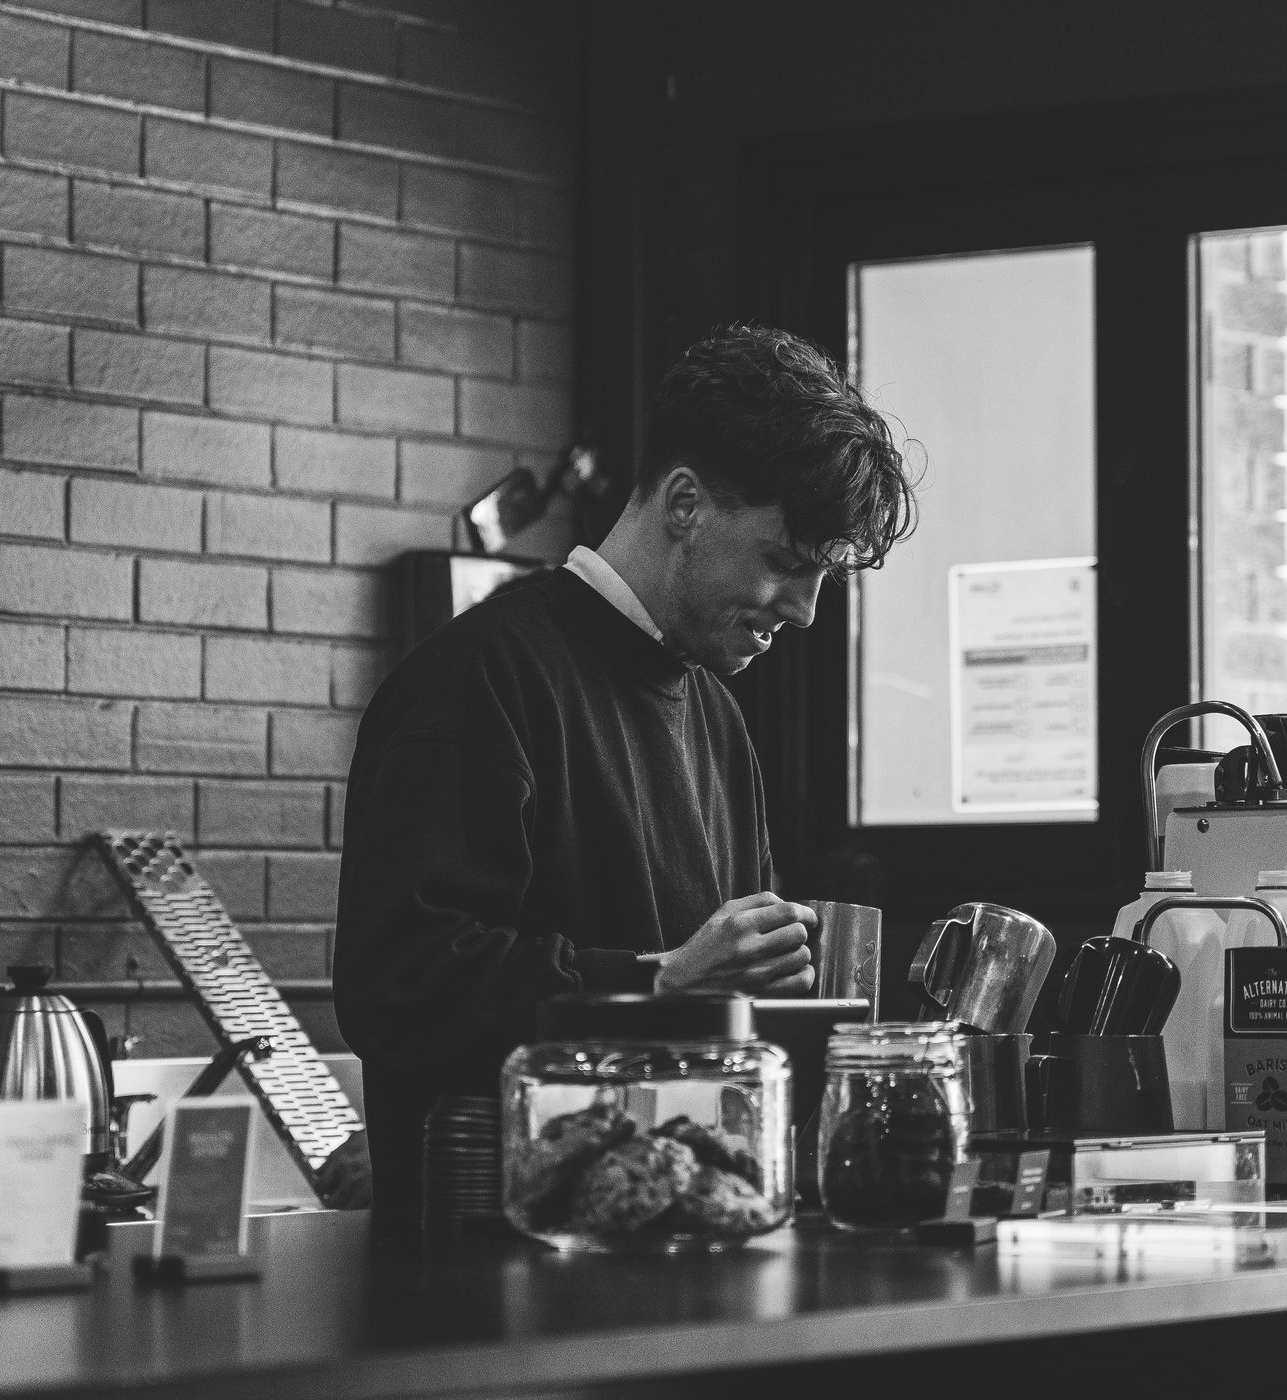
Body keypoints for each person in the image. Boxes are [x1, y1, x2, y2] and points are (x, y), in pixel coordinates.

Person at [332, 323, 919, 1233]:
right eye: (785, 563)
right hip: (491, 1284)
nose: (803, 611)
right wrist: (659, 983)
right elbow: (397, 985)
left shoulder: (718, 718)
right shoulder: (477, 678)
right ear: (685, 503)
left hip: (681, 1255)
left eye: (822, 579)